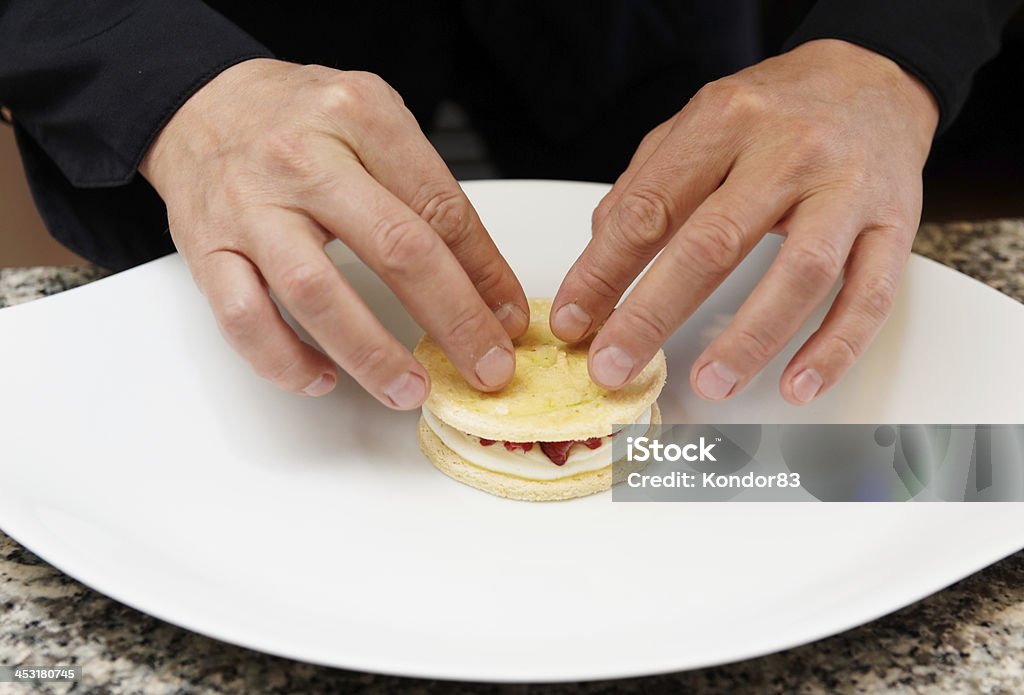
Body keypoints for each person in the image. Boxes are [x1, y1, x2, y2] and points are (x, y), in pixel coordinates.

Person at [1, 1, 1020, 410]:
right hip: (237, 91)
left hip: (660, 60)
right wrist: (151, 72)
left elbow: (969, 474)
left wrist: (895, 43)